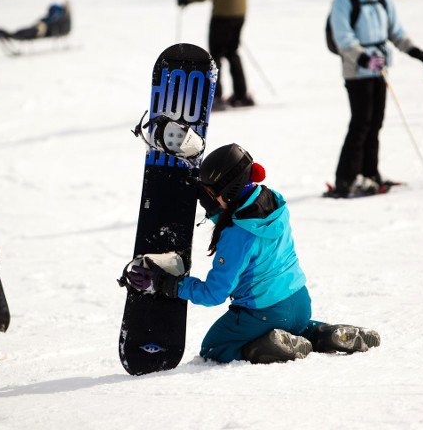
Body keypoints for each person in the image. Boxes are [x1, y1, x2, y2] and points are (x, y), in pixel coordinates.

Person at [125, 143, 381, 364]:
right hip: (300, 302)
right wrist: (213, 204)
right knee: (299, 327)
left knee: (214, 349)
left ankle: (270, 345)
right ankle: (323, 334)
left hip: (262, 313)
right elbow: (245, 222)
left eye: (213, 192)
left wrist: (168, 284)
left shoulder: (236, 236)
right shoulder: (272, 201)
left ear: (227, 193)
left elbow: (215, 293)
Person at [326, 0, 423, 198]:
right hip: (356, 71)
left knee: (375, 123)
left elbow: (395, 32)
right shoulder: (343, 0)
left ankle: (370, 173)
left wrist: (416, 52)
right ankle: (346, 179)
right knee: (360, 124)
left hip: (379, 70)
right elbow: (343, 37)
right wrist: (364, 58)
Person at [0, 2, 71, 40]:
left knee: (29, 32)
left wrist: (44, 24)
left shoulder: (59, 15)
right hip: (42, 28)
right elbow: (47, 19)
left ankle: (11, 35)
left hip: (45, 30)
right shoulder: (59, 15)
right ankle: (11, 34)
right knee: (26, 30)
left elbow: (52, 22)